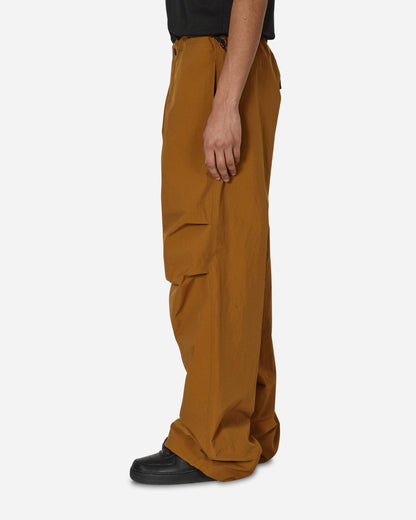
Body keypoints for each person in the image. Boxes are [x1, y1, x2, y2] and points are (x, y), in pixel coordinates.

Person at [130, 0, 282, 484]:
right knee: (234, 248)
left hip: (219, 65)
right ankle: (248, 423)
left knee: (209, 251)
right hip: (213, 61)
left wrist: (225, 100)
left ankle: (214, 439)